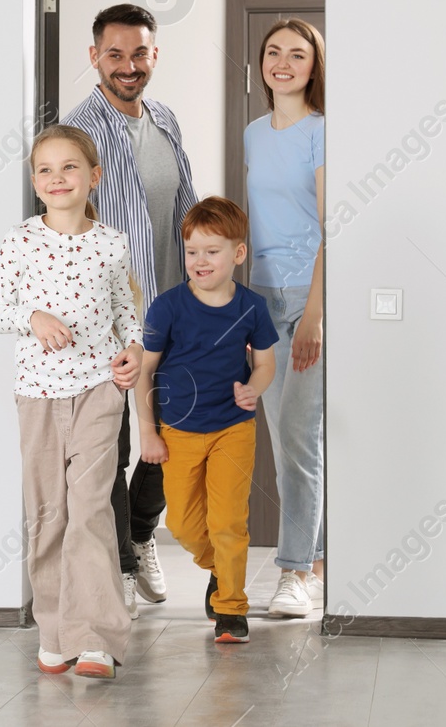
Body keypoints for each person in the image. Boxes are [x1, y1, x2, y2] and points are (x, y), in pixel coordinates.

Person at [0, 124, 141, 679]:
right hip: (36, 394)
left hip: (100, 390)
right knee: (49, 513)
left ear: (94, 177)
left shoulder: (112, 242)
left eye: (69, 167)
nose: (57, 178)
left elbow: (127, 312)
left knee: (91, 509)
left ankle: (97, 637)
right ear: (34, 181)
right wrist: (33, 317)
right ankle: (54, 632)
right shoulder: (19, 240)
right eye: (45, 169)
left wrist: (134, 349)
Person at [62, 3, 198, 619]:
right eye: (114, 54)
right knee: (115, 443)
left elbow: (186, 207)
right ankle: (117, 566)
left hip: (174, 311)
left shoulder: (166, 120)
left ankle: (142, 534)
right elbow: (64, 220)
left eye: (139, 53)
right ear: (94, 57)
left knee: (171, 435)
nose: (128, 66)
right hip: (111, 321)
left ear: (155, 55)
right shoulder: (79, 130)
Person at [118, 196, 277, 643]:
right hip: (178, 432)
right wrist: (148, 431)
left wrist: (255, 388)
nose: (200, 261)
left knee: (229, 521)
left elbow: (266, 363)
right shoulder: (167, 307)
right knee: (185, 526)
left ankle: (231, 607)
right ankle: (220, 570)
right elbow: (145, 371)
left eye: (212, 251)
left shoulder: (252, 307)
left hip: (233, 429)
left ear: (238, 254)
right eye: (192, 252)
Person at [243, 19, 327, 618]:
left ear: (313, 66)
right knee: (283, 437)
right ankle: (316, 559)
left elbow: (333, 226)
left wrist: (316, 315)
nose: (283, 63)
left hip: (307, 297)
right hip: (260, 298)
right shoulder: (251, 134)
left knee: (299, 438)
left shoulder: (324, 132)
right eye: (274, 52)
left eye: (298, 55)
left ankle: (296, 572)